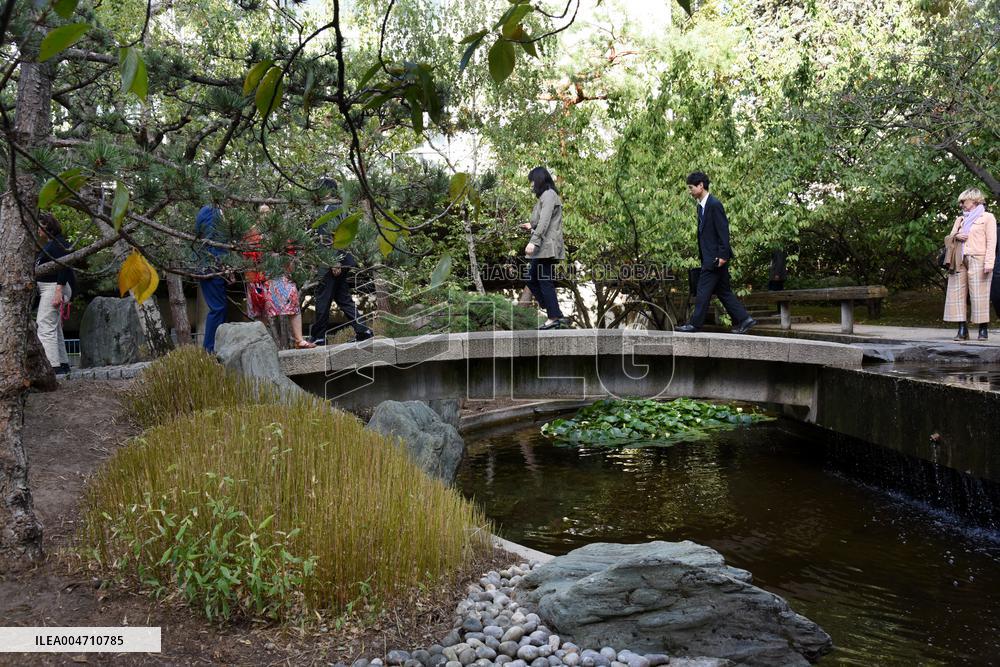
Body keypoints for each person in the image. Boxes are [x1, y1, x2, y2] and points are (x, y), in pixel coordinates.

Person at [676, 172, 756, 334]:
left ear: (701, 185)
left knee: (702, 291)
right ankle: (745, 319)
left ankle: (694, 324)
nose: (690, 191)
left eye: (691, 188)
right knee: (723, 292)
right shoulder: (701, 207)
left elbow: (723, 231)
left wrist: (723, 256)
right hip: (711, 257)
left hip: (715, 259)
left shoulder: (714, 204)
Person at [309, 179, 374, 344]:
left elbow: (330, 237)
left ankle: (319, 337)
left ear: (327, 191)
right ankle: (363, 330)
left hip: (332, 262)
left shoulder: (330, 209)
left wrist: (334, 261)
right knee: (343, 298)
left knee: (323, 298)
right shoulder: (340, 208)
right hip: (342, 259)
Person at [244, 205, 315, 349]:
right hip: (259, 276)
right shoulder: (252, 233)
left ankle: (299, 340)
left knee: (293, 303)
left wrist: (291, 272)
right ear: (257, 215)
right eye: (262, 213)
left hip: (280, 273)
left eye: (268, 212)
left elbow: (290, 253)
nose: (265, 215)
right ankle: (259, 345)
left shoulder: (281, 230)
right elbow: (247, 258)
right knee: (261, 312)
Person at [943, 188, 996, 340]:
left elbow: (992, 242)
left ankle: (983, 329)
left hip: (978, 259)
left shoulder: (987, 217)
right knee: (956, 294)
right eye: (960, 202)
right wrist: (956, 235)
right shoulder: (960, 219)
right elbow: (949, 239)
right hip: (958, 260)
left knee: (979, 294)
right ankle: (962, 330)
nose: (961, 205)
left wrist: (989, 263)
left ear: (974, 200)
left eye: (963, 201)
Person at [520, 166, 566, 329]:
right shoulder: (546, 196)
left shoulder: (549, 195)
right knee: (531, 278)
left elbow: (545, 221)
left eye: (532, 181)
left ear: (539, 179)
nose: (531, 185)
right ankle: (554, 310)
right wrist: (531, 225)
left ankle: (553, 316)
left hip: (547, 246)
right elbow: (542, 220)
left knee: (543, 280)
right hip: (544, 246)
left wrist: (533, 241)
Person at [35, 212, 75, 375]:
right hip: (51, 288)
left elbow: (65, 266)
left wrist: (59, 290)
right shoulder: (52, 244)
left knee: (45, 326)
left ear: (47, 226)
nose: (37, 229)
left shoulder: (58, 244)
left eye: (40, 225)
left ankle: (51, 368)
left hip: (53, 287)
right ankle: (63, 364)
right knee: (55, 328)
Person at [194, 205, 229, 353]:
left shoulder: (213, 211)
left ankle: (214, 348)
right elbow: (212, 242)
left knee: (220, 307)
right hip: (211, 266)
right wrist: (223, 264)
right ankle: (209, 350)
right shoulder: (210, 211)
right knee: (218, 308)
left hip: (214, 267)